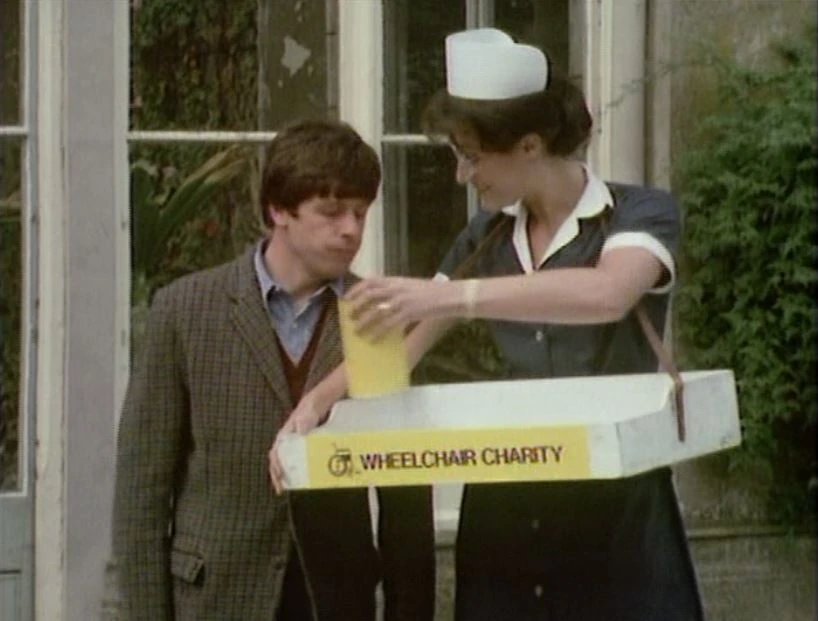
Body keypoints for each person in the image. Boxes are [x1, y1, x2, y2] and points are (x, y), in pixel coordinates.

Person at [275, 29, 704, 621]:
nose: (460, 175)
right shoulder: (486, 235)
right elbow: (403, 347)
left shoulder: (638, 214)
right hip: (506, 512)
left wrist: (453, 297)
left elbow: (608, 293)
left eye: (471, 157)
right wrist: (315, 404)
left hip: (615, 509)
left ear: (529, 145)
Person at [112, 118, 435, 621]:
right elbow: (143, 490)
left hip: (335, 601)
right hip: (216, 599)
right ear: (278, 210)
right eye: (331, 212)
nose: (351, 230)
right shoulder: (185, 310)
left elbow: (407, 505)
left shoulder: (378, 318)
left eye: (360, 212)